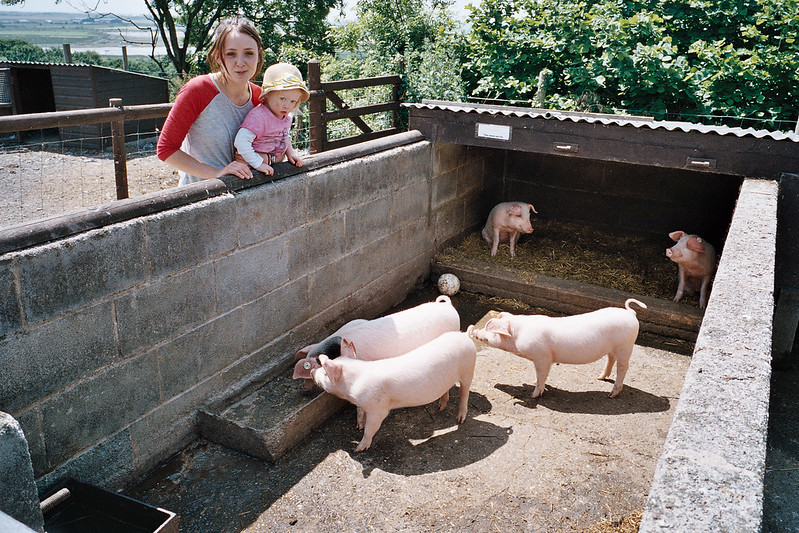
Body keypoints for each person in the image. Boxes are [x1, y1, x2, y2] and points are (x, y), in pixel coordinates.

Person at [156, 17, 264, 185]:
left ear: (258, 55)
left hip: (243, 198)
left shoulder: (259, 97)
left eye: (248, 53)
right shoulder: (198, 90)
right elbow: (166, 150)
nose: (240, 63)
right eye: (231, 54)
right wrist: (217, 173)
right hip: (199, 197)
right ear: (218, 57)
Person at [233, 63, 310, 176]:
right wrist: (258, 163)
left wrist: (290, 153)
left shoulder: (286, 117)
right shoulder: (260, 116)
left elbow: (285, 135)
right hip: (249, 167)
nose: (287, 105)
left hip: (271, 165)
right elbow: (241, 141)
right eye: (282, 98)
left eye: (293, 101)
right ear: (267, 95)